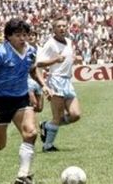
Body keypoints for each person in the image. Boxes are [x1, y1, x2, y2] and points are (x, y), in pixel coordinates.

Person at [0, 18, 45, 184]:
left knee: (31, 132)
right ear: (8, 37)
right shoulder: (0, 53)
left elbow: (32, 69)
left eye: (25, 35)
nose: (23, 39)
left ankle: (22, 175)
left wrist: (44, 85)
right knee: (0, 145)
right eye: (18, 35)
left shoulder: (31, 51)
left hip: (21, 99)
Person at [36, 17, 84, 153]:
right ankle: (48, 146)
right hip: (56, 80)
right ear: (54, 29)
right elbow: (38, 63)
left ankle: (47, 125)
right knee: (57, 116)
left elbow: (67, 59)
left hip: (67, 81)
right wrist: (54, 59)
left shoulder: (68, 41)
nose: (62, 28)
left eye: (64, 26)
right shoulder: (50, 44)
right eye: (59, 26)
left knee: (75, 114)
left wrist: (75, 59)